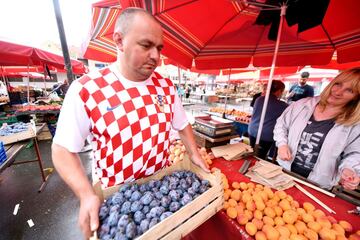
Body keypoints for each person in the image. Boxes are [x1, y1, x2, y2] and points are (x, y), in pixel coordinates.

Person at [51, 8, 209, 238]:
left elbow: (182, 124)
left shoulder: (166, 87)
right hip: (116, 200)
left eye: (159, 48)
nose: (156, 56)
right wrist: (86, 194)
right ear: (119, 40)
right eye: (146, 45)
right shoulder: (86, 89)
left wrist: (194, 154)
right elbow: (62, 149)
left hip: (160, 196)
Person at [274, 68, 360, 190]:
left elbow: (355, 153)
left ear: (356, 97)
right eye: (338, 84)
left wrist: (349, 169)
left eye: (349, 90)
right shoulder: (302, 105)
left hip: (319, 183)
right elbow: (281, 125)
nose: (338, 92)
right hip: (284, 171)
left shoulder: (355, 123)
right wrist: (282, 144)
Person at [248, 80, 288, 159]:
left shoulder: (259, 99)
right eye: (282, 91)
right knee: (260, 157)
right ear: (279, 91)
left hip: (252, 130)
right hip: (265, 135)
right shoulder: (282, 105)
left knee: (252, 152)